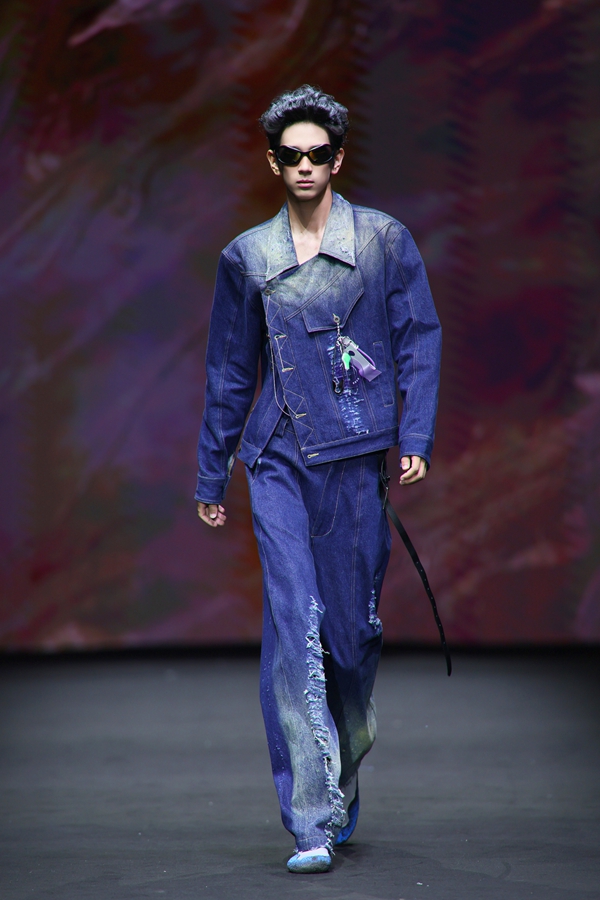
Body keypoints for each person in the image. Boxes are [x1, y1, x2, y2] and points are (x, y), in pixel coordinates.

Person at [195, 85, 441, 874]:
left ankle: (343, 761)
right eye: (291, 155)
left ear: (338, 158)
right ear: (273, 163)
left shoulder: (382, 241)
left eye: (317, 153)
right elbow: (231, 370)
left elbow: (417, 337)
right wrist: (212, 470)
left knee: (350, 641)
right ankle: (310, 819)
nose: (304, 166)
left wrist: (415, 433)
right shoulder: (248, 257)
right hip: (277, 459)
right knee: (293, 625)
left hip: (359, 460)